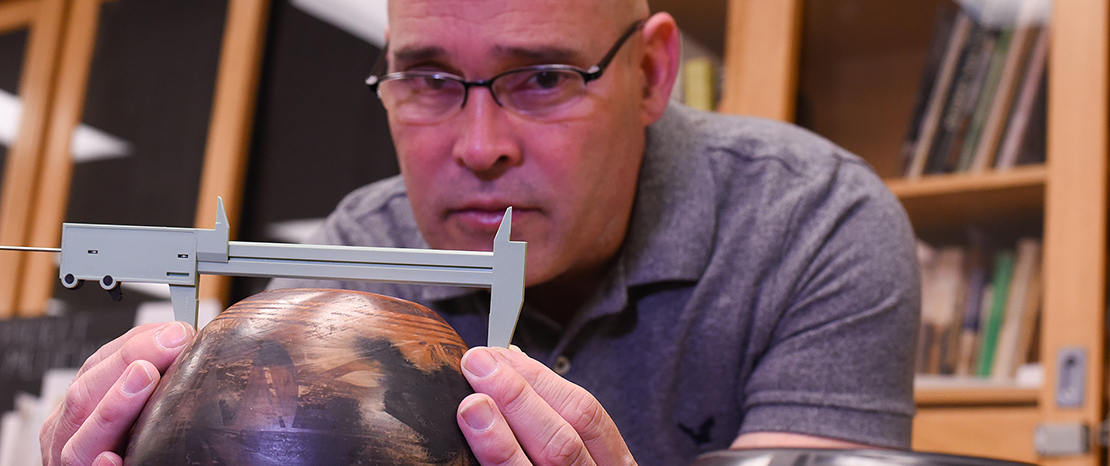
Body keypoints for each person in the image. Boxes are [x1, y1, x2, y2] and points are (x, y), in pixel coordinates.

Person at [41, 0, 921, 465]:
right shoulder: (355, 255)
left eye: (540, 78)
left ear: (652, 73)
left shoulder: (814, 227)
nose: (478, 147)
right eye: (425, 78)